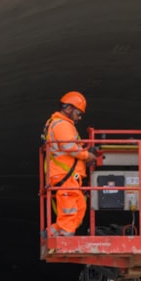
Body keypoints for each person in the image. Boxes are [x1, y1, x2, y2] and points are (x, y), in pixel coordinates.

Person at [41, 91, 99, 236]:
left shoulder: (63, 124)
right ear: (68, 108)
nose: (79, 117)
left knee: (79, 208)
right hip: (65, 176)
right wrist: (87, 155)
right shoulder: (61, 125)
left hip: (70, 177)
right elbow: (69, 148)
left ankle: (50, 232)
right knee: (69, 213)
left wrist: (85, 151)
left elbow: (71, 148)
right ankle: (64, 240)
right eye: (78, 113)